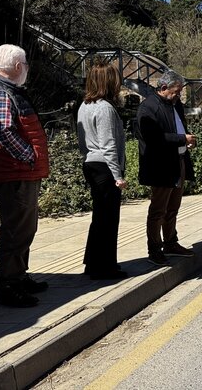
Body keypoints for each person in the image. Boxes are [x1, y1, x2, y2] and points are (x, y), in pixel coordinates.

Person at [0, 44, 50, 307]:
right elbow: (1, 131)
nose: (27, 69)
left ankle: (19, 276)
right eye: (26, 64)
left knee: (23, 228)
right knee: (16, 230)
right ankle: (9, 283)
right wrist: (29, 155)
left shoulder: (2, 90)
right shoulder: (1, 93)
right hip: (14, 174)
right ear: (18, 66)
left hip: (16, 172)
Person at [135, 70, 197, 266]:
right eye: (176, 92)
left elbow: (178, 127)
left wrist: (186, 140)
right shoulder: (148, 108)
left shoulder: (175, 104)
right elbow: (153, 138)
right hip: (161, 166)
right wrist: (181, 139)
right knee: (158, 210)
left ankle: (171, 243)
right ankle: (154, 249)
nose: (178, 96)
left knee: (173, 208)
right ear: (163, 88)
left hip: (178, 161)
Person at [76, 62, 128, 280]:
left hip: (91, 163)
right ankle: (106, 267)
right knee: (108, 219)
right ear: (108, 82)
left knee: (99, 217)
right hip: (105, 167)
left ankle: (93, 263)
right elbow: (108, 144)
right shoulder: (105, 108)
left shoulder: (84, 105)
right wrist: (118, 176)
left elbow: (82, 140)